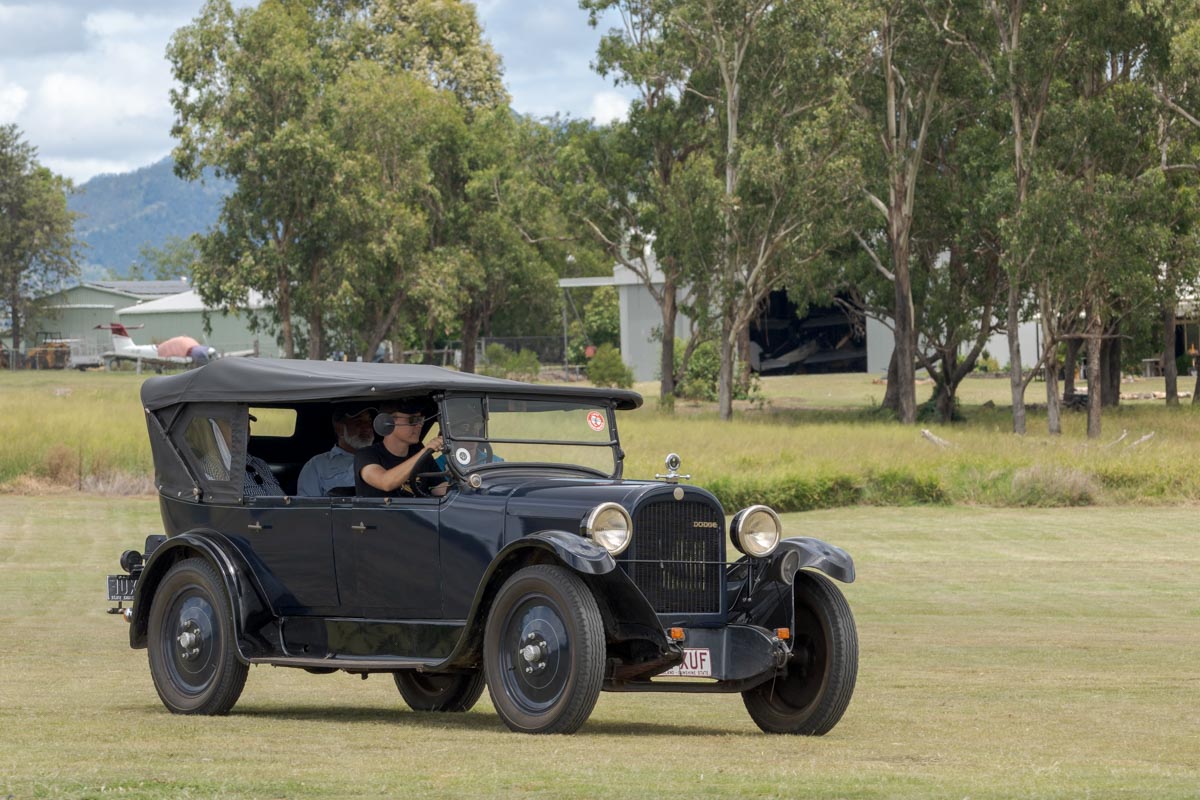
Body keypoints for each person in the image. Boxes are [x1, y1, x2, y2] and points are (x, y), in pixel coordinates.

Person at [355, 399, 446, 498]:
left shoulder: (417, 450)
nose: (419, 425)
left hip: (419, 513)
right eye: (413, 420)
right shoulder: (366, 455)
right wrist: (424, 452)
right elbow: (385, 482)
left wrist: (463, 482)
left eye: (421, 419)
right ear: (387, 422)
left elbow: (440, 488)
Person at [297, 405, 376, 496]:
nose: (367, 428)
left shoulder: (382, 457)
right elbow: (308, 507)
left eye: (369, 421)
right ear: (339, 429)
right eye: (358, 422)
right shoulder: (316, 465)